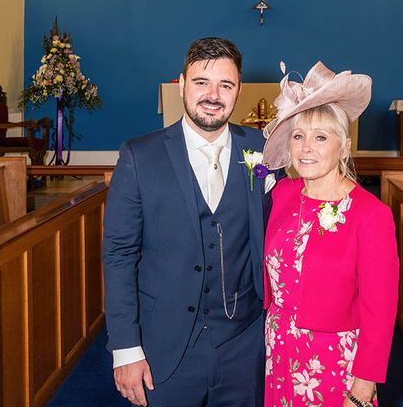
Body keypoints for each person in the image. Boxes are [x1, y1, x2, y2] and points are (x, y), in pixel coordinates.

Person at [102, 38, 276, 407]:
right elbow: (119, 255)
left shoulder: (263, 150)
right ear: (181, 84)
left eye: (225, 85)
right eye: (201, 83)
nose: (213, 95)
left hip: (244, 344)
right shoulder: (139, 156)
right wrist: (125, 348)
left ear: (238, 91)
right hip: (164, 346)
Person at [261, 61, 399, 407]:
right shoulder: (283, 194)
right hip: (278, 348)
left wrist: (364, 386)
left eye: (320, 137)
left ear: (345, 146)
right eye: (298, 136)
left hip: (334, 360)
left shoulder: (371, 215)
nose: (306, 148)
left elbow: (379, 310)